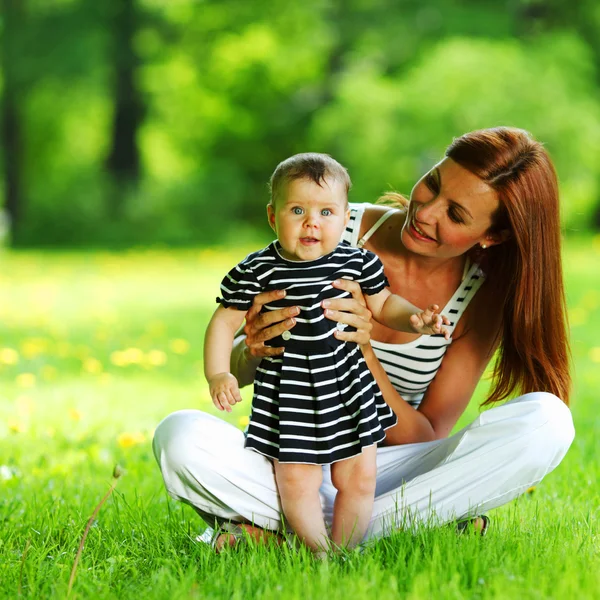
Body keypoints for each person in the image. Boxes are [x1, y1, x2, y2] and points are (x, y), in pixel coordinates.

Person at [153, 127, 575, 551]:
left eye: (456, 215)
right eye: (432, 183)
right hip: (293, 449)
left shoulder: (479, 296)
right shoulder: (322, 219)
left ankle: (290, 533)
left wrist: (365, 351)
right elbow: (239, 355)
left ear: (493, 235)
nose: (426, 212)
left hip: (378, 463)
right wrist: (253, 349)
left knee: (547, 423)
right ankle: (407, 526)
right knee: (181, 436)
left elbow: (426, 437)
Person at [204, 153, 450, 556]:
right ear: (272, 216)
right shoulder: (258, 269)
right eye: (297, 209)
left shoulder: (356, 263)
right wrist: (219, 374)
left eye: (326, 211)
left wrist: (416, 320)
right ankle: (318, 552)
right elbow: (223, 322)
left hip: (348, 388)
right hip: (290, 395)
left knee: (359, 477)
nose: (311, 222)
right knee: (295, 482)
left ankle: (345, 549)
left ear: (343, 216)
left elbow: (385, 304)